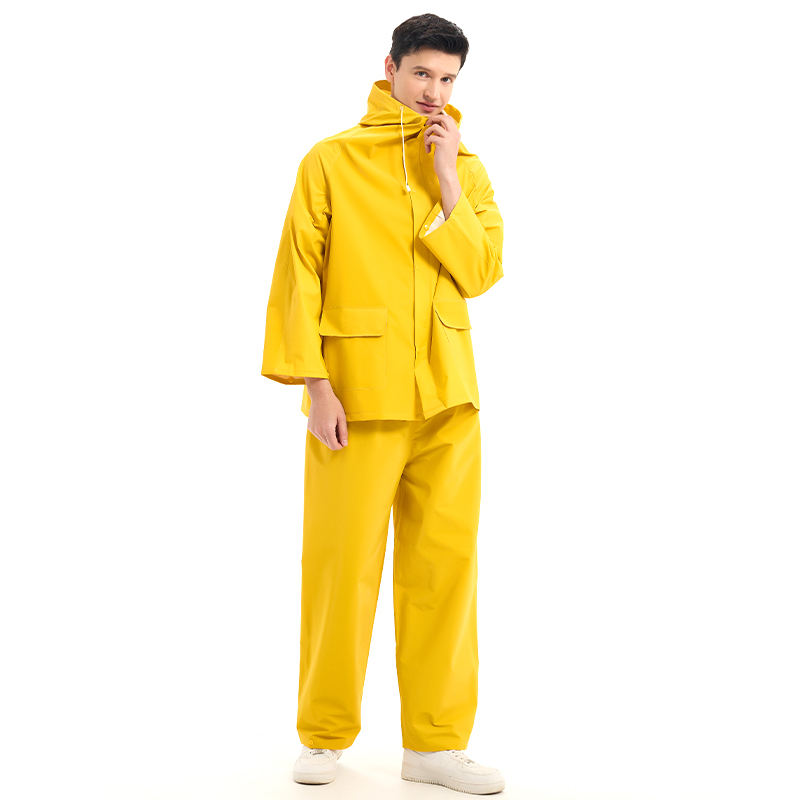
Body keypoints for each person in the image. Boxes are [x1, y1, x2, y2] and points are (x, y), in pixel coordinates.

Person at [260, 13, 505, 795]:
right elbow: (298, 276)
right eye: (423, 73)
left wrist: (446, 181)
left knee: (445, 573)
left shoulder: (465, 168)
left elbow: (481, 272)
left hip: (448, 400)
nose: (435, 91)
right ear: (391, 67)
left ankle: (436, 745)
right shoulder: (330, 161)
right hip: (356, 399)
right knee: (341, 570)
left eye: (448, 79)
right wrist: (315, 385)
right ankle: (324, 736)